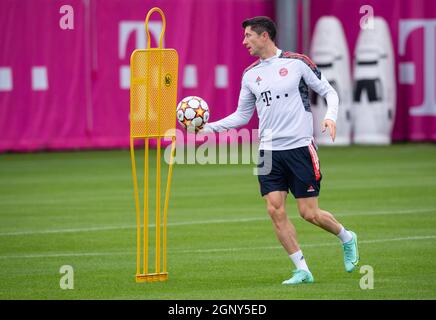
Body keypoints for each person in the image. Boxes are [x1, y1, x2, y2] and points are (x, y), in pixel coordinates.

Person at [201, 16, 359, 284]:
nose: (244, 41)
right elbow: (242, 116)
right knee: (275, 210)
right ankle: (302, 269)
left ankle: (347, 236)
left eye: (248, 36)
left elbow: (329, 92)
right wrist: (208, 128)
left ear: (265, 36)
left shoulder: (297, 63)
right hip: (268, 152)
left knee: (309, 213)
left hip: (299, 148)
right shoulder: (250, 75)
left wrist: (330, 116)